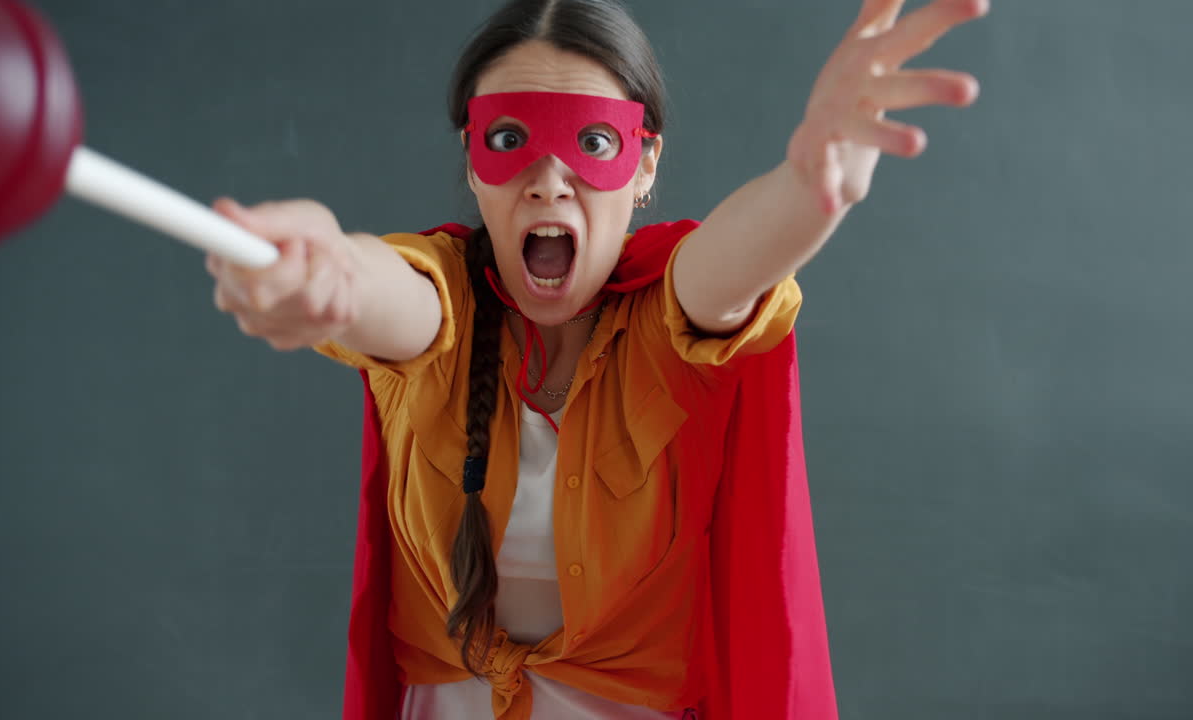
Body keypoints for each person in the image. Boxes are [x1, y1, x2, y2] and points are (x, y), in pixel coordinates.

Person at [204, 0, 989, 717]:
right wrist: (329, 269)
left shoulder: (667, 324)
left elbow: (730, 267)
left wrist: (811, 187)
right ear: (474, 165)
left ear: (645, 166)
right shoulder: (443, 301)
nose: (549, 183)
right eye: (509, 141)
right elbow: (392, 294)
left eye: (594, 142)